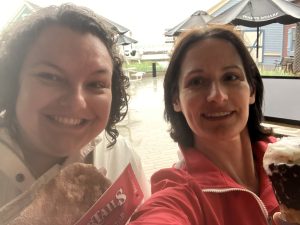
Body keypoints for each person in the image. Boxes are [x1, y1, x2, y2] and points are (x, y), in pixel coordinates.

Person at [0, 4, 149, 224]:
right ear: (13, 83)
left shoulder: (120, 155)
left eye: (96, 83)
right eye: (50, 77)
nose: (77, 102)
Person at [128, 26, 284, 225]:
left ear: (251, 90)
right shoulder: (181, 193)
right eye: (197, 81)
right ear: (176, 100)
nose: (217, 96)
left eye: (231, 77)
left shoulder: (287, 161)